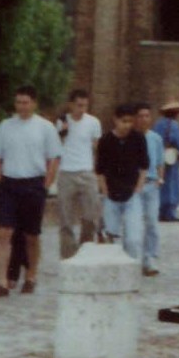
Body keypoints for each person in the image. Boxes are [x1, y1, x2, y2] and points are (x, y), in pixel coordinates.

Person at [0, 85, 59, 296]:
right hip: (9, 184)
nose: (21, 106)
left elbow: (54, 158)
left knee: (31, 235)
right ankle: (2, 281)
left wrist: (45, 186)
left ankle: (31, 276)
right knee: (4, 233)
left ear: (34, 103)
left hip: (33, 184)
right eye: (18, 102)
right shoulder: (5, 126)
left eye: (26, 102)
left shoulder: (45, 127)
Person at [54, 89, 104, 259]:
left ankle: (85, 249)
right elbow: (55, 146)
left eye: (85, 105)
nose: (81, 109)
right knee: (66, 218)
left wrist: (97, 172)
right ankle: (68, 255)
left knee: (91, 215)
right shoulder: (61, 122)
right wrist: (63, 131)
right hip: (66, 173)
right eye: (78, 105)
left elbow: (97, 148)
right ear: (71, 105)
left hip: (86, 171)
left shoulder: (93, 122)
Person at [97, 103, 148, 260]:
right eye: (124, 121)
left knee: (133, 239)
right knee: (110, 238)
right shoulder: (105, 140)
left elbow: (144, 166)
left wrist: (138, 188)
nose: (127, 125)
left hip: (132, 194)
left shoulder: (138, 138)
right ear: (115, 120)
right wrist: (105, 192)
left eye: (130, 121)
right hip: (111, 196)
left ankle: (131, 270)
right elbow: (100, 170)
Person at [133, 103, 164, 274]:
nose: (144, 119)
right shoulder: (131, 138)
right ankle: (134, 257)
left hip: (152, 185)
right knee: (134, 224)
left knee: (152, 222)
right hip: (135, 186)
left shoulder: (156, 139)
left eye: (147, 116)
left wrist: (160, 179)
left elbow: (160, 161)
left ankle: (150, 258)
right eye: (141, 116)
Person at [155, 101, 179, 222]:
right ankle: (170, 213)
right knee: (172, 183)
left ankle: (160, 211)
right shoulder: (174, 125)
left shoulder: (158, 124)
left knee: (160, 182)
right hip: (171, 156)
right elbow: (176, 141)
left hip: (159, 155)